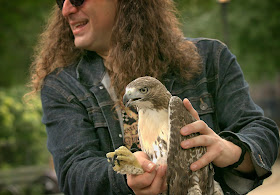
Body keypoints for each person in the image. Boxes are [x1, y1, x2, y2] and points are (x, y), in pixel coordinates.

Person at [28, 0, 279, 194]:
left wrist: (229, 149)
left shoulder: (210, 59)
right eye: (61, 2)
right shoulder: (63, 86)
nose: (66, 10)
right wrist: (125, 176)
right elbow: (73, 174)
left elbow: (262, 132)